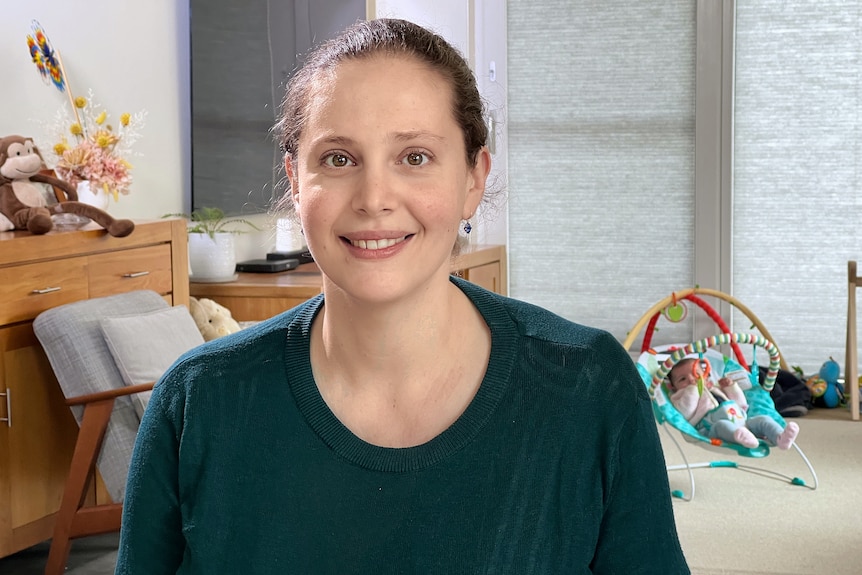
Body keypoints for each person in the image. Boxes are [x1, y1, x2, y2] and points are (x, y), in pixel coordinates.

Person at [115, 18, 689, 574]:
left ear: (473, 179)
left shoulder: (589, 389)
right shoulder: (199, 402)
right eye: (339, 159)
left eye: (415, 157)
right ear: (294, 182)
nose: (374, 198)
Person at [667, 356, 799, 449]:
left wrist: (731, 387)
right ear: (673, 387)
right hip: (710, 427)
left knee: (762, 419)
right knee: (722, 425)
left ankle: (780, 437)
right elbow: (686, 413)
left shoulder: (715, 388)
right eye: (683, 379)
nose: (691, 379)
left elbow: (741, 404)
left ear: (706, 375)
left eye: (696, 374)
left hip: (741, 419)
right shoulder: (679, 397)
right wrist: (692, 390)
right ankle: (740, 437)